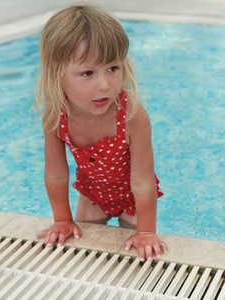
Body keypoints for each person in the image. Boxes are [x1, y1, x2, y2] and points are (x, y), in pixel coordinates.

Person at [33, 4, 167, 262]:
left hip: (133, 197)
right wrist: (62, 219)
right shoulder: (54, 116)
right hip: (92, 195)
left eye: (113, 68)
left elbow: (142, 180)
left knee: (139, 251)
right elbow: (56, 173)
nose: (104, 85)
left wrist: (147, 231)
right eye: (87, 73)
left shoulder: (131, 115)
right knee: (87, 250)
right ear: (57, 74)